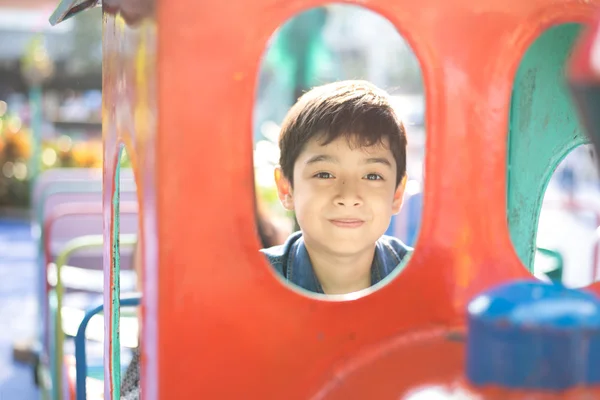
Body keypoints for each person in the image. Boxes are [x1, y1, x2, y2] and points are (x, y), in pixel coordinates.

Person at [261, 80, 411, 295]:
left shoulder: (426, 281)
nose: (348, 197)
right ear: (286, 188)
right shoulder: (250, 284)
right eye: (324, 174)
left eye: (372, 176)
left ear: (397, 193)